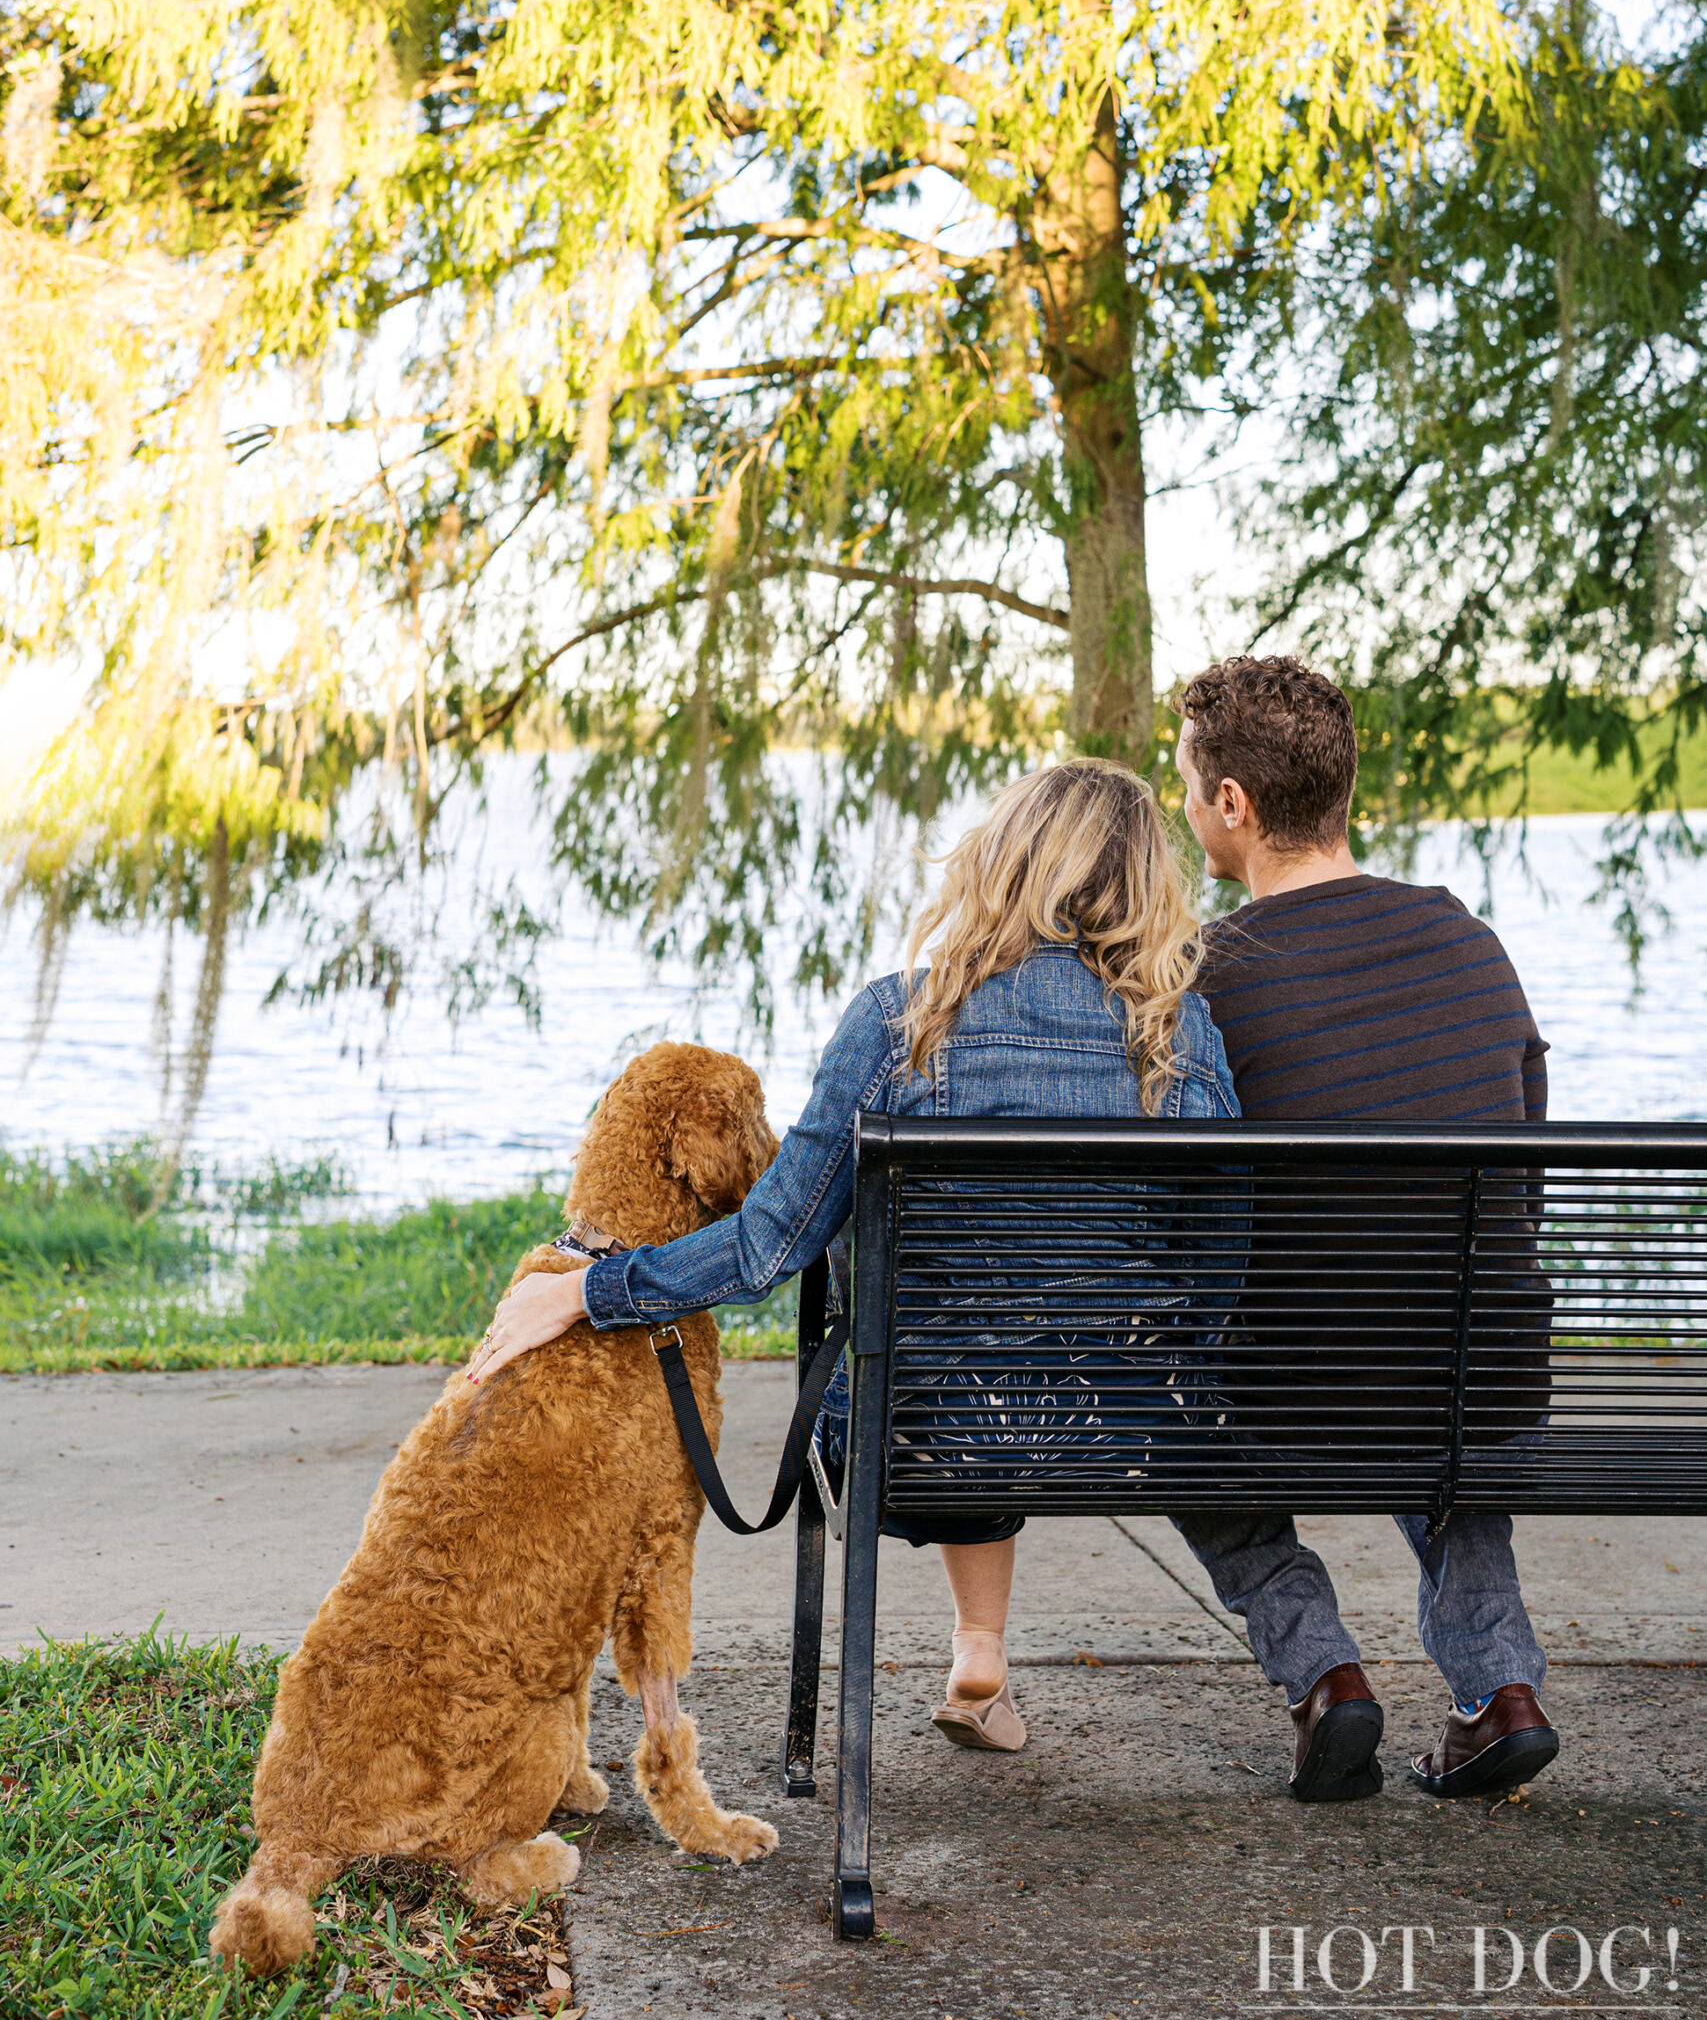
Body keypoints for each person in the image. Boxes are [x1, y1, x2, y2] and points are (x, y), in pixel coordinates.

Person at [465, 757, 1238, 1750]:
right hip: (1124, 1437)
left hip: (916, 1435)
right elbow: (1216, 1269)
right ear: (1146, 888)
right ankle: (979, 1650)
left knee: (967, 1362)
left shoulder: (899, 1020)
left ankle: (959, 1662)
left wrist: (592, 1291)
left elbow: (767, 1247)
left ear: (1000, 864)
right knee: (1012, 1359)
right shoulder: (1185, 1034)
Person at [1169, 653, 1561, 1804]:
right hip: (1476, 1381)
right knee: (1450, 1347)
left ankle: (1325, 1675)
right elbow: (1522, 1178)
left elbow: (1181, 1218)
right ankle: (1502, 1692)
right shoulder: (1467, 940)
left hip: (1299, 1385)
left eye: (1187, 781)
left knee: (1172, 1415)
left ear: (1233, 803)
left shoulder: (1211, 974)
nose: (1187, 805)